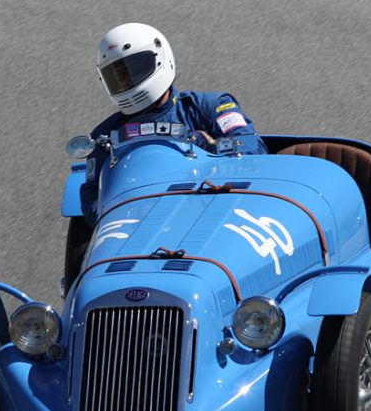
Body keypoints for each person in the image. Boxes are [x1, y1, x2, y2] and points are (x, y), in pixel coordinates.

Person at [64, 22, 264, 287]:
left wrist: (211, 147)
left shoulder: (208, 106)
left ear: (160, 58)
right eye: (118, 76)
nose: (127, 82)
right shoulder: (104, 134)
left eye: (133, 69)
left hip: (206, 213)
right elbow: (92, 199)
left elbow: (252, 147)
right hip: (134, 222)